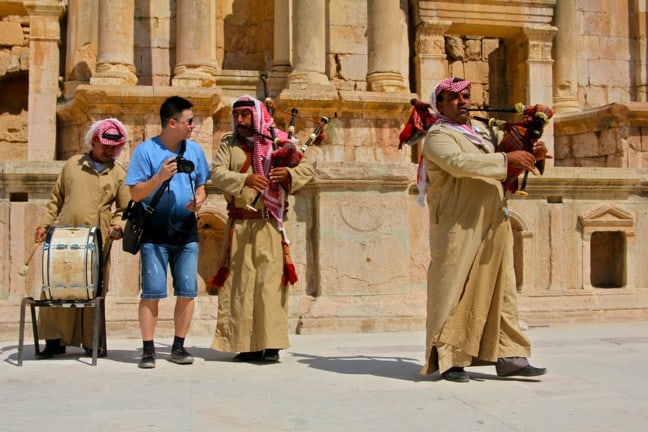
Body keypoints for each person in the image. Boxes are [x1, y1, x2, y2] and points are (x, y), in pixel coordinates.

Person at [420, 77, 548, 383]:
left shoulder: (482, 132)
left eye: (466, 96)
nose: (463, 102)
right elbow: (459, 163)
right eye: (454, 98)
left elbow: (501, 162)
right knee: (454, 287)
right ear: (440, 104)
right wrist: (506, 159)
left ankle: (509, 356)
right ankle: (450, 359)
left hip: (494, 218)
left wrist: (530, 154)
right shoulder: (437, 136)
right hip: (458, 223)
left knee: (502, 287)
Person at [209, 95, 315, 363]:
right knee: (242, 285)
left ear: (256, 116)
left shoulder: (278, 142)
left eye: (245, 115)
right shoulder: (228, 144)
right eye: (237, 116)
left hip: (270, 223)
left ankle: (271, 345)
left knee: (270, 284)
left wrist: (289, 175)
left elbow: (308, 167)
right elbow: (218, 174)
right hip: (240, 223)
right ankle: (247, 345)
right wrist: (245, 178)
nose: (240, 120)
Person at [34, 118, 131, 358]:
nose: (110, 150)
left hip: (98, 239)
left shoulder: (119, 173)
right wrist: (44, 224)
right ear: (95, 140)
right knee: (57, 284)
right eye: (106, 146)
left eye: (114, 147)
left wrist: (118, 226)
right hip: (66, 234)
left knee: (92, 288)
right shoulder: (71, 165)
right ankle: (54, 341)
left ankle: (91, 339)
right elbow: (56, 197)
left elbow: (125, 208)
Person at [125, 96, 210, 369]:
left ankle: (178, 346)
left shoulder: (195, 151)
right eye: (189, 121)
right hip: (154, 232)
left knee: (188, 290)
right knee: (152, 292)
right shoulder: (145, 152)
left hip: (187, 231)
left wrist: (200, 200)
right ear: (172, 123)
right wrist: (159, 178)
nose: (193, 126)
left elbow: (202, 185)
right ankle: (148, 349)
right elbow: (135, 193)